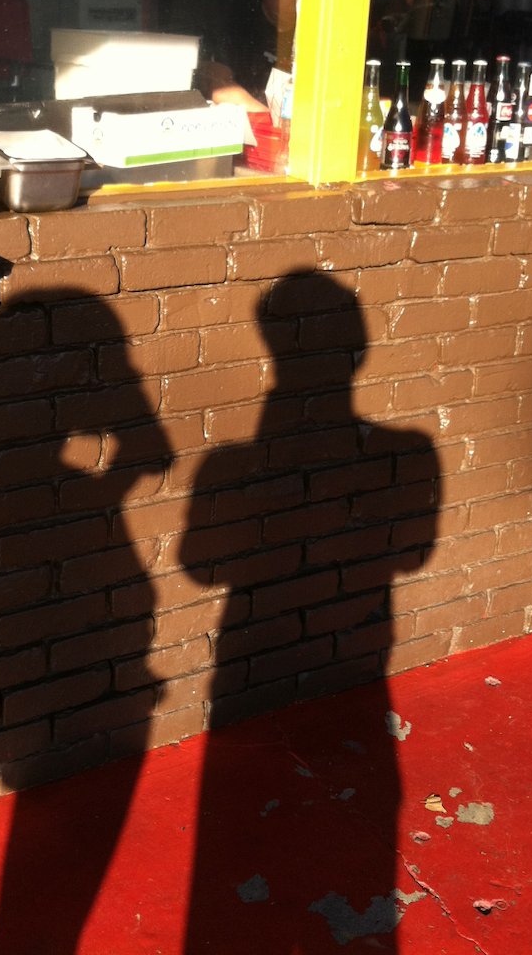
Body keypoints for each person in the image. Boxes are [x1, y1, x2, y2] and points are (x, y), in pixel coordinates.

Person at [179, 271, 440, 952]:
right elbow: (414, 555)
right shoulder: (409, 454)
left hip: (245, 655)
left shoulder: (226, 466)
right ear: (359, 352)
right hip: (363, 649)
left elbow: (199, 566)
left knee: (230, 858)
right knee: (355, 840)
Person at [0, 291, 174, 954]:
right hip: (59, 662)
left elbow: (143, 459)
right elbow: (145, 458)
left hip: (85, 661)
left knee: (58, 857)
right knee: (47, 886)